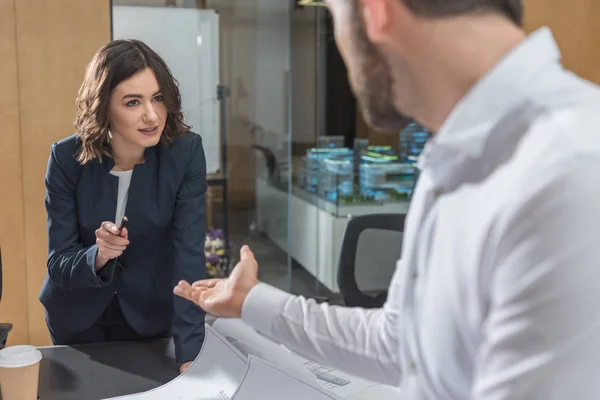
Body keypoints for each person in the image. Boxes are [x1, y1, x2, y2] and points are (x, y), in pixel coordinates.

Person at [175, 0, 600, 398]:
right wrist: (250, 300)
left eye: (336, 16)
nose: (341, 48)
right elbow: (399, 343)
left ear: (375, 12)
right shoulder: (457, 156)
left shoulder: (571, 168)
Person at [41, 39, 207, 373]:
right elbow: (59, 263)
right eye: (133, 102)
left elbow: (188, 256)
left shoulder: (185, 153)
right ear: (103, 107)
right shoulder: (65, 159)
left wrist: (191, 352)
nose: (152, 115)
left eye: (158, 98)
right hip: (77, 319)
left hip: (151, 318)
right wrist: (99, 255)